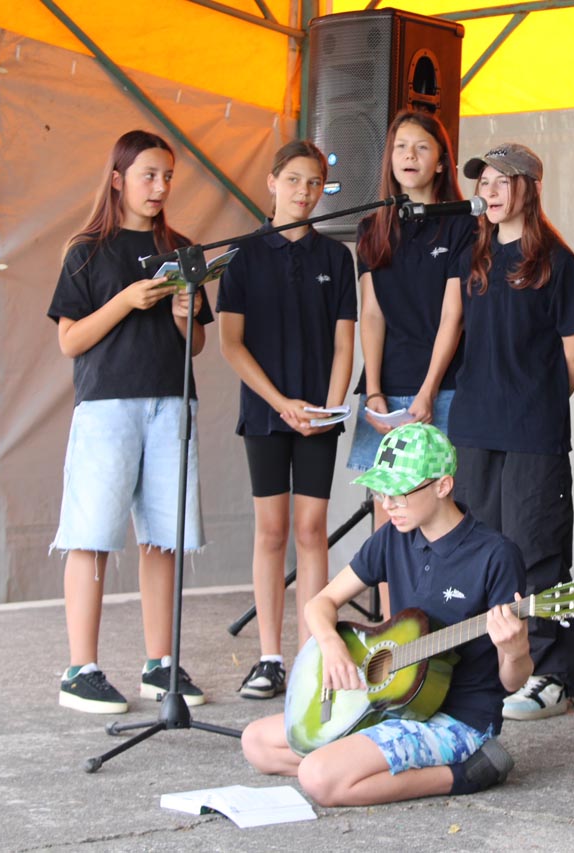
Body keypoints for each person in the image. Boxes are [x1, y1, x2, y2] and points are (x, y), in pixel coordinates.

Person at [241, 423, 530, 806]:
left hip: (457, 720)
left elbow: (511, 681)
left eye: (399, 492)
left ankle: (469, 773)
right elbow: (319, 604)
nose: (387, 504)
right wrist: (332, 646)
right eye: (381, 491)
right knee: (256, 743)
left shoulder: (495, 555)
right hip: (391, 703)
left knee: (318, 777)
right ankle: (358, 763)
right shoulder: (394, 537)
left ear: (443, 486)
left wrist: (516, 650)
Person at [48, 129, 212, 713]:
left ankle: (160, 663)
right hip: (107, 407)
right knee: (90, 535)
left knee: (163, 538)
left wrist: (185, 311)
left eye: (167, 176)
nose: (160, 186)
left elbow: (195, 346)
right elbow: (70, 341)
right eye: (148, 175)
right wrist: (125, 301)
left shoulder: (182, 249)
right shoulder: (86, 250)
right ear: (118, 179)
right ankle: (81, 669)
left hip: (172, 403)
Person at [449, 143, 574, 721]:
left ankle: (553, 674)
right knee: (484, 550)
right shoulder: (475, 257)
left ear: (529, 188)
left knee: (537, 550)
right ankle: (498, 665)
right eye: (482, 182)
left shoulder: (559, 263)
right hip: (474, 428)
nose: (488, 191)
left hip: (533, 432)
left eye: (500, 181)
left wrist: (537, 407)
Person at [217, 140, 357, 700]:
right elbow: (230, 344)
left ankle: (311, 655)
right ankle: (270, 657)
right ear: (272, 182)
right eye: (294, 180)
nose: (304, 191)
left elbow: (345, 344)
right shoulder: (242, 255)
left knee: (311, 530)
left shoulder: (336, 258)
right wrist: (280, 402)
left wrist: (326, 408)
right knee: (272, 531)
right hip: (265, 414)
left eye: (314, 182)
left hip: (319, 418)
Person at [348, 111, 475, 617]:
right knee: (390, 516)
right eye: (401, 147)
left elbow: (453, 315)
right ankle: (393, 624)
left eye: (422, 147)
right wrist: (375, 391)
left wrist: (427, 391)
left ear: (441, 160)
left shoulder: (462, 223)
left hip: (443, 389)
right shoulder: (371, 227)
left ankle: (444, 621)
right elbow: (371, 313)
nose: (409, 156)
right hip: (386, 393)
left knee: (444, 507)